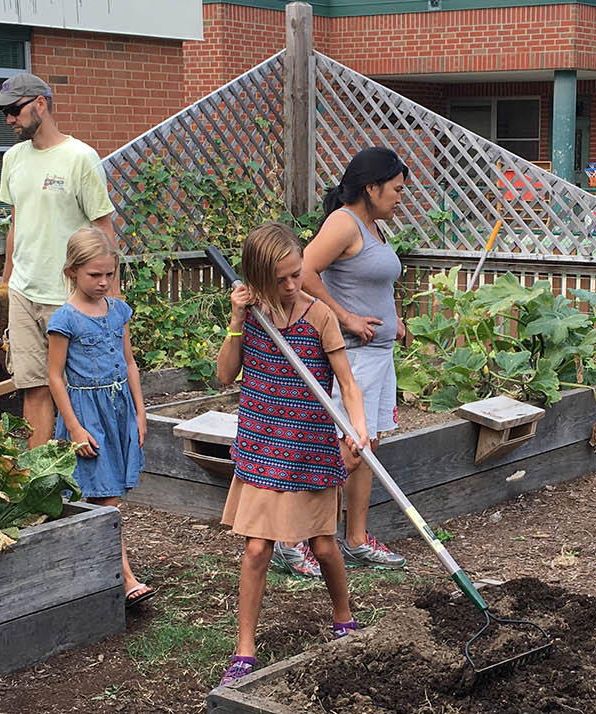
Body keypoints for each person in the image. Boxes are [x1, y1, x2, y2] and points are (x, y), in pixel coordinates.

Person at [214, 222, 368, 686]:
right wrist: (237, 321)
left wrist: (357, 429)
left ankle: (343, 617)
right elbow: (224, 376)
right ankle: (244, 650)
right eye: (280, 279)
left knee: (323, 545)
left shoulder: (318, 315)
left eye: (296, 274)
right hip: (262, 444)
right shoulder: (253, 314)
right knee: (257, 549)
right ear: (258, 278)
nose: (290, 285)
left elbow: (347, 383)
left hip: (309, 447)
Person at [273, 146, 411, 578]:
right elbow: (304, 272)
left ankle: (355, 541)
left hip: (379, 354)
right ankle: (290, 541)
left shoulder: (374, 226)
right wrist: (344, 317)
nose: (400, 198)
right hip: (352, 356)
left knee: (367, 448)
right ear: (371, 188)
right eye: (396, 189)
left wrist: (395, 319)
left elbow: (372, 281)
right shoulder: (343, 222)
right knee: (344, 452)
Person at [0, 73, 117, 448]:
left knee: (80, 388)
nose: (9, 119)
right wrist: (6, 282)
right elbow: (15, 224)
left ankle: (89, 484)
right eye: (5, 113)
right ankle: (40, 484)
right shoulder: (13, 159)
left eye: (14, 110)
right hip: (25, 292)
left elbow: (102, 226)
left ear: (41, 103)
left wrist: (112, 300)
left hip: (69, 297)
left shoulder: (80, 158)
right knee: (33, 388)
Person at [44, 227, 152, 609]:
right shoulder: (65, 319)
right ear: (72, 271)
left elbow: (129, 362)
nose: (104, 282)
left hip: (118, 410)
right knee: (104, 501)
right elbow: (54, 376)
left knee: (102, 498)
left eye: (110, 274)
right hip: (86, 415)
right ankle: (125, 578)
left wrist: (141, 412)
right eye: (95, 275)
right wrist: (73, 427)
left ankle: (90, 574)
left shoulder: (118, 310)